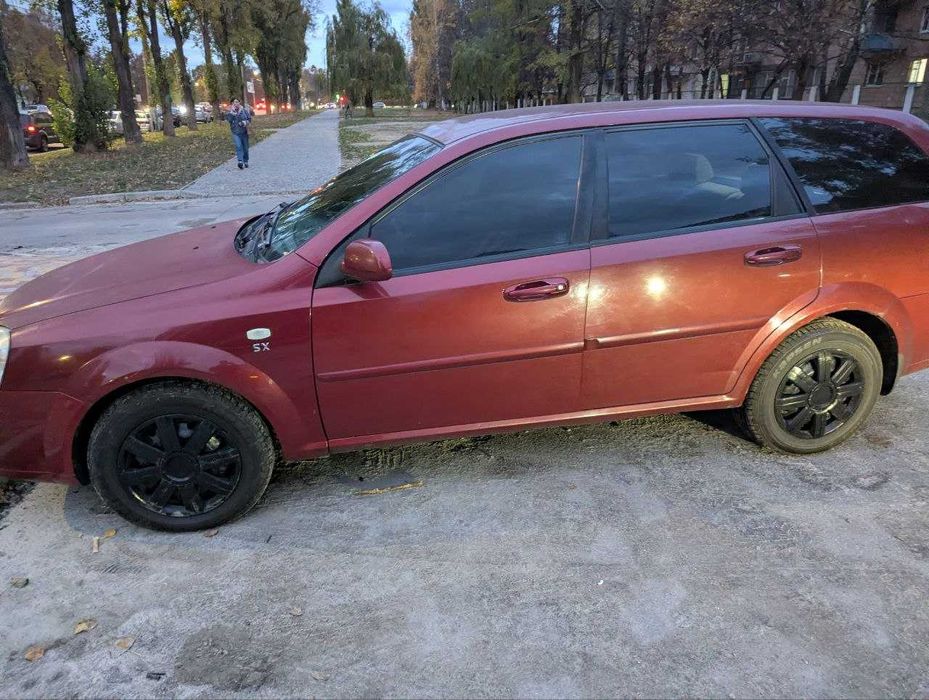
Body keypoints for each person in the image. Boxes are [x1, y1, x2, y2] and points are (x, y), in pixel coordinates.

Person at [225, 98, 252, 169]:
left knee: (245, 148)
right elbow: (229, 120)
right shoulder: (230, 112)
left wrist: (244, 122)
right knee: (238, 146)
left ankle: (245, 161)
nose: (235, 103)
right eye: (234, 102)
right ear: (232, 104)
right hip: (235, 132)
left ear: (239, 102)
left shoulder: (244, 111)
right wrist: (232, 113)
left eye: (237, 102)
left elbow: (249, 119)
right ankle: (240, 161)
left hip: (244, 132)